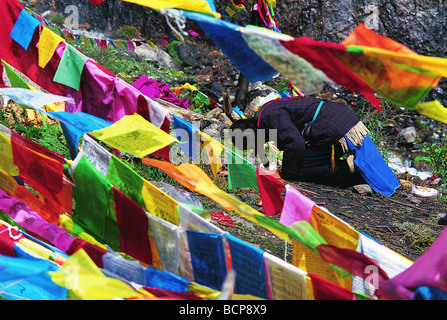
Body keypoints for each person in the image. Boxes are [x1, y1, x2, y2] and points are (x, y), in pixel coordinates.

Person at [229, 96, 370, 188]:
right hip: (339, 121)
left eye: (250, 145)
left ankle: (346, 170)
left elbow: (296, 144)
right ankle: (343, 164)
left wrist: (285, 173)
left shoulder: (270, 118)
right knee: (300, 160)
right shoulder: (264, 116)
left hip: (337, 127)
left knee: (300, 169)